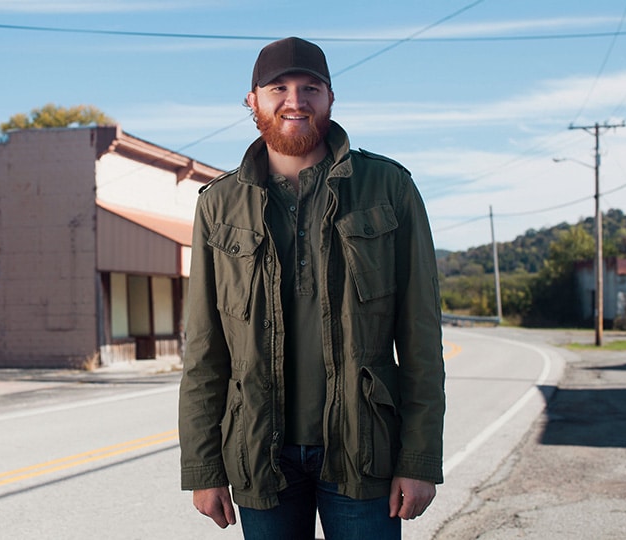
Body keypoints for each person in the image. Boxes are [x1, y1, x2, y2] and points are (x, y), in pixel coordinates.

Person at [178, 37, 445, 539]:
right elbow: (205, 350)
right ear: (252, 100)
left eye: (310, 88)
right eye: (278, 88)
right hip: (260, 454)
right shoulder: (219, 204)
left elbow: (421, 339)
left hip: (365, 452)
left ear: (330, 98)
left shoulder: (388, 187)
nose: (295, 101)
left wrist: (419, 459)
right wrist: (203, 466)